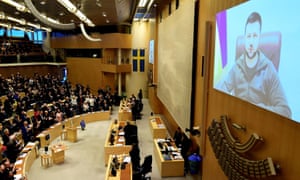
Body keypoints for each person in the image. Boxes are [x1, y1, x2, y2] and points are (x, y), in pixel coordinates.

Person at [217, 12, 291, 118]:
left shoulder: (269, 69)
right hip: (238, 120)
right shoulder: (237, 66)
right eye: (249, 36)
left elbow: (285, 111)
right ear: (245, 38)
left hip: (259, 123)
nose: (251, 42)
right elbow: (219, 90)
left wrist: (257, 108)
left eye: (255, 36)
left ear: (259, 38)